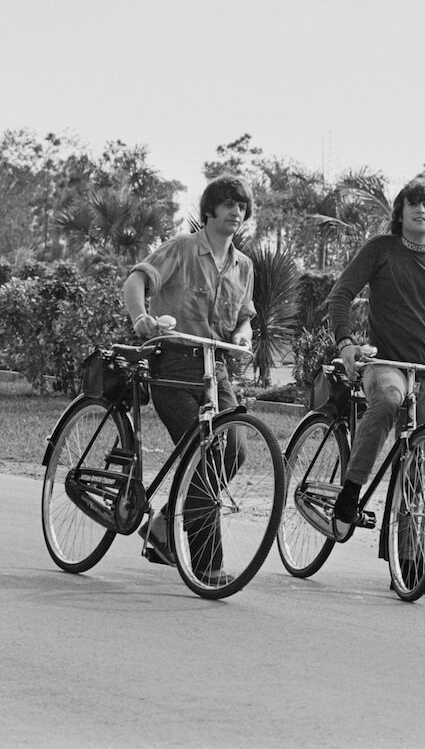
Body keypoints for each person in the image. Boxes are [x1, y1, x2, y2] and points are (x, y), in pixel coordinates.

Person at [325, 176, 425, 596]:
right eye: (413, 205)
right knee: (387, 402)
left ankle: (408, 563)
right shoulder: (380, 249)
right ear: (400, 213)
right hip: (384, 361)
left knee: (423, 455)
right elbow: (340, 295)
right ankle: (350, 493)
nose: (422, 211)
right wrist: (347, 343)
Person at [122, 174, 256, 585]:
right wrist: (141, 317)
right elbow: (136, 279)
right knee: (205, 448)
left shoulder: (243, 265)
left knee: (234, 447)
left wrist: (245, 332)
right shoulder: (181, 249)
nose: (236, 212)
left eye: (242, 206)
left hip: (214, 368)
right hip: (172, 363)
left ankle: (164, 523)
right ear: (210, 210)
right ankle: (207, 564)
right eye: (228, 204)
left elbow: (245, 314)